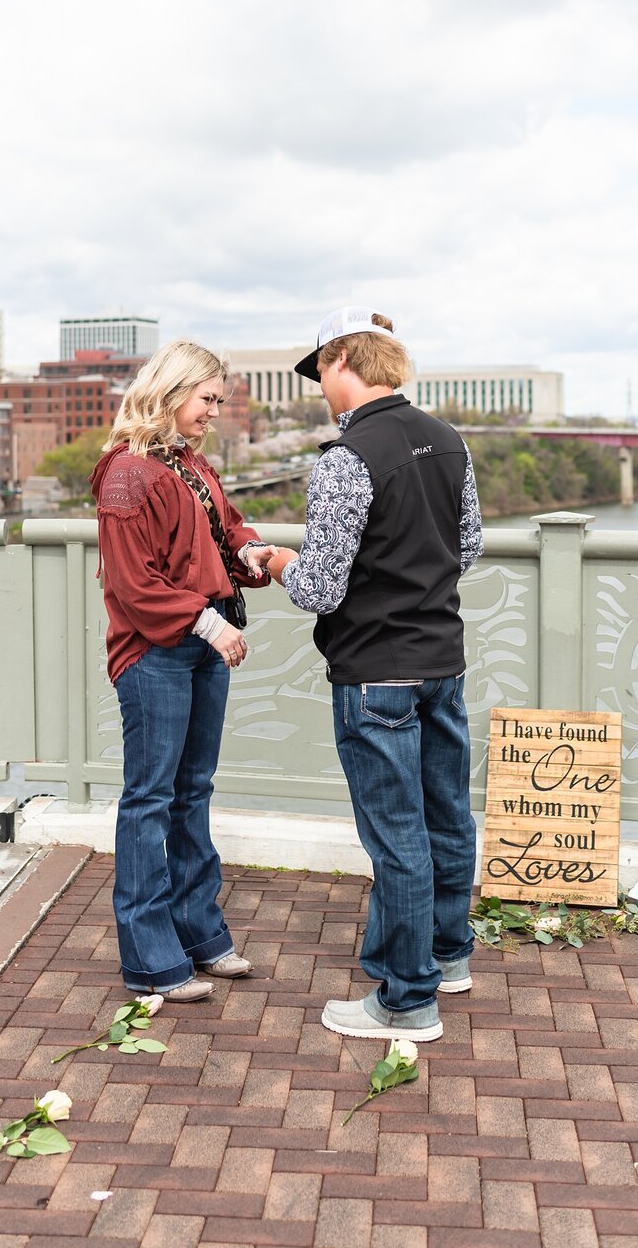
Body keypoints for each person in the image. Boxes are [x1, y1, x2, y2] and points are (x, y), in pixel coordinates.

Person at [263, 308, 483, 1042]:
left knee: (396, 836)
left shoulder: (344, 460)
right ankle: (448, 955)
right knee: (446, 814)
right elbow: (468, 546)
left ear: (345, 360)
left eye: (321, 371)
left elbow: (321, 589)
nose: (320, 388)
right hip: (440, 660)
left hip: (373, 672)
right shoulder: (449, 441)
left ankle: (408, 999)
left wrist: (277, 562)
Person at [90, 341, 272, 1001]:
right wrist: (207, 620)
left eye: (218, 402)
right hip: (156, 653)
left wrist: (250, 549)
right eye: (207, 400)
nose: (213, 413)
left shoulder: (187, 465)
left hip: (200, 643)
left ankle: (199, 936)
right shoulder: (129, 474)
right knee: (152, 799)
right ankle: (149, 958)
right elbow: (136, 586)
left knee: (191, 792)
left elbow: (224, 524)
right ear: (172, 391)